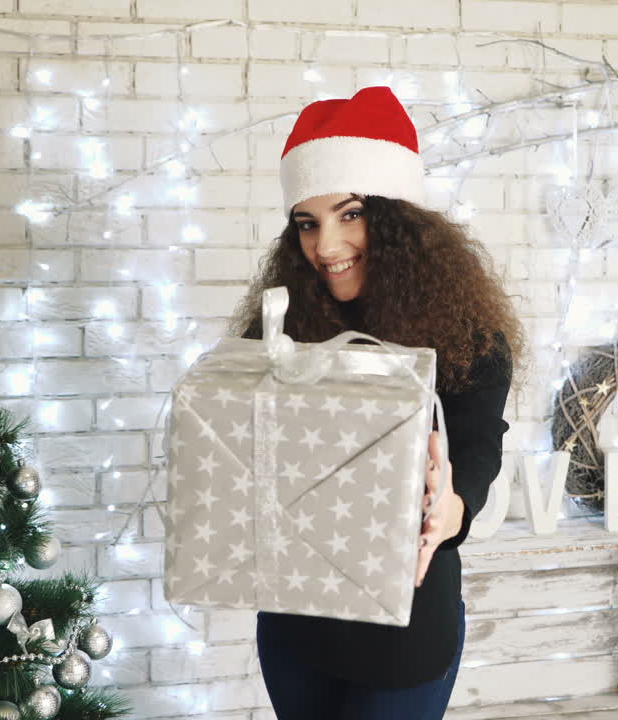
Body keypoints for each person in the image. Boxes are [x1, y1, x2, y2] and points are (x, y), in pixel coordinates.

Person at [227, 85, 525, 720]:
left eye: (350, 213)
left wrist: (452, 507)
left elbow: (477, 442)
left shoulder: (467, 332)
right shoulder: (284, 324)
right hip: (296, 622)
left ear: (397, 219)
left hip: (406, 631)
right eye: (307, 224)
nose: (326, 246)